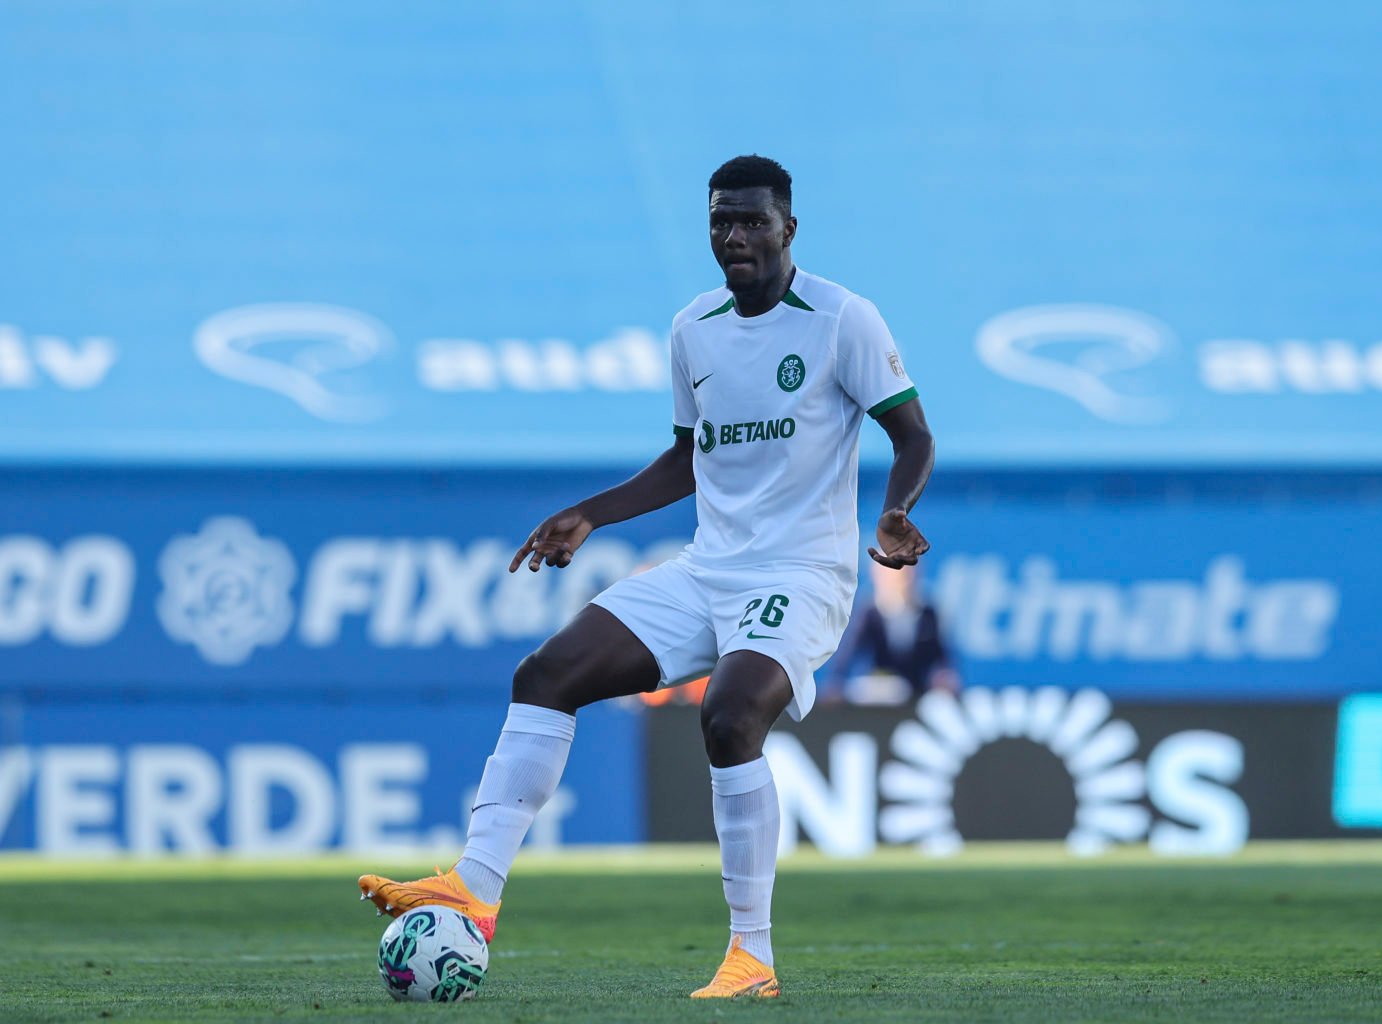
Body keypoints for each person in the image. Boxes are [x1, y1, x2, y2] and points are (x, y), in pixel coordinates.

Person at [357, 154, 935, 999]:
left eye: (750, 220)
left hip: (803, 573)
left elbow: (913, 434)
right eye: (719, 221)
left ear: (788, 228)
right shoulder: (692, 327)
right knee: (545, 674)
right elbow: (685, 459)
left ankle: (752, 958)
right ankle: (474, 888)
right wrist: (592, 513)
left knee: (731, 715)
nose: (733, 235)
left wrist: (893, 511)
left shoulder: (842, 319)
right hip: (710, 569)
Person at [826, 562, 959, 703]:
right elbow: (847, 655)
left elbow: (944, 659)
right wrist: (836, 682)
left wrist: (944, 677)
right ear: (878, 576)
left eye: (907, 571)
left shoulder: (930, 613)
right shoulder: (868, 613)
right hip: (879, 698)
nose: (902, 578)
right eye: (895, 572)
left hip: (920, 697)